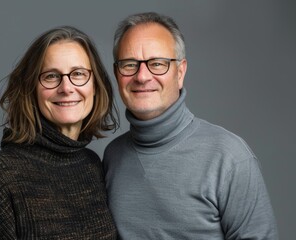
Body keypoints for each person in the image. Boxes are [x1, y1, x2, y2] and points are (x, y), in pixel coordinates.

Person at [103, 12, 278, 239]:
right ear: (117, 73)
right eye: (129, 64)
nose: (142, 76)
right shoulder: (112, 157)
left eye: (157, 64)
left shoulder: (230, 158)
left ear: (180, 72)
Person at [0, 26, 119, 239]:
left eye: (78, 74)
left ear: (95, 86)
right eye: (51, 76)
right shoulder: (0, 177)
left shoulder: (92, 165)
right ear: (31, 88)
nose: (66, 87)